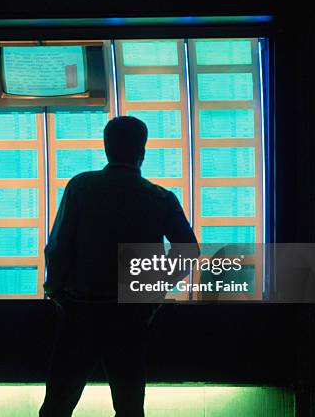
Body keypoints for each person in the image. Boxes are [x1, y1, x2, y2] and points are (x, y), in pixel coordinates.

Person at [39, 116, 200, 417]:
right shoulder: (159, 197)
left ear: (105, 147)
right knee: (129, 407)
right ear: (142, 150)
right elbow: (188, 251)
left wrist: (55, 291)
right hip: (129, 315)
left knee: (58, 404)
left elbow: (59, 246)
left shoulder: (81, 187)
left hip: (79, 310)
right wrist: (152, 293)